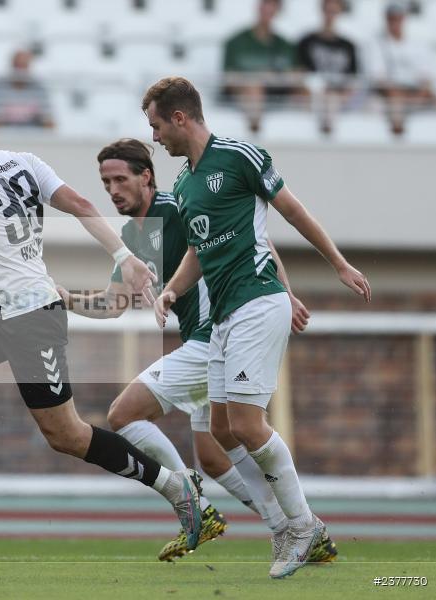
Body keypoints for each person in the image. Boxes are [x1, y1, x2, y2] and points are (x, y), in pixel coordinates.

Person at [0, 100, 204, 546]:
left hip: (33, 319)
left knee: (68, 435)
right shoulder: (22, 161)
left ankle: (176, 487)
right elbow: (78, 203)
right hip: (6, 314)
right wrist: (124, 256)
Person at [59, 138, 336, 564]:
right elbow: (114, 303)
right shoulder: (136, 234)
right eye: (105, 182)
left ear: (145, 177)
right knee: (214, 452)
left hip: (217, 334)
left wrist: (283, 289)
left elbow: (247, 235)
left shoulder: (174, 208)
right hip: (207, 341)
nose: (113, 190)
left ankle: (192, 500)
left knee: (123, 414)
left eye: (120, 179)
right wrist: (68, 299)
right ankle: (290, 526)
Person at [142, 76, 370, 578]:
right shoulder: (183, 184)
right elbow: (199, 250)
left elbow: (290, 209)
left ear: (180, 118)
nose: (155, 137)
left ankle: (303, 526)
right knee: (222, 428)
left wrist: (337, 262)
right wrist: (173, 289)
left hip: (257, 302)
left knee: (245, 424)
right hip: (223, 316)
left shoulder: (239, 155)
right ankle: (294, 524)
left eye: (157, 126)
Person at [222, 0, 299, 133]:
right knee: (254, 87)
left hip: (276, 95)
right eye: (266, 4)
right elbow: (228, 80)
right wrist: (256, 79)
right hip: (242, 95)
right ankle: (255, 134)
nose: (268, 10)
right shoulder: (236, 42)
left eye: (273, 6)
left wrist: (273, 78)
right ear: (259, 7)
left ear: (278, 11)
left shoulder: (284, 45)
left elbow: (296, 75)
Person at [365, 1, 433, 136]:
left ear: (404, 18)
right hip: (390, 97)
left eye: (398, 17)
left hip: (414, 94)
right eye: (391, 18)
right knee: (395, 102)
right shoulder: (377, 44)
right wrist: (401, 94)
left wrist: (419, 93)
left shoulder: (417, 44)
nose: (395, 22)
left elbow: (427, 78)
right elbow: (379, 80)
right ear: (386, 19)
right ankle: (398, 142)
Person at [296, 0, 359, 134]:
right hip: (314, 94)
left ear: (339, 13)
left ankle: (328, 132)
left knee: (332, 98)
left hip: (338, 96)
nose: (330, 15)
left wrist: (343, 93)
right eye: (327, 10)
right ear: (321, 11)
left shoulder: (348, 45)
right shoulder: (307, 41)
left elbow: (353, 78)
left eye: (333, 11)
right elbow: (301, 71)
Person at [0, 49, 54, 128]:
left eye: (24, 66)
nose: (20, 70)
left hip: (33, 136)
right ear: (12, 65)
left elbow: (49, 121)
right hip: (4, 135)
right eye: (17, 65)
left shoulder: (39, 89)